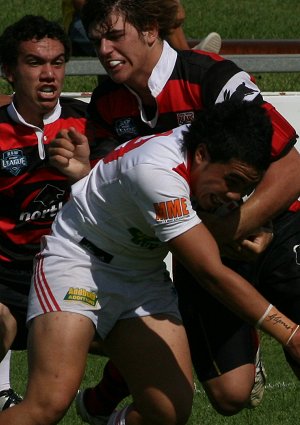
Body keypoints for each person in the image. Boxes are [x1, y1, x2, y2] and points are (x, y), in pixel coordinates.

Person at [64, 0, 300, 422]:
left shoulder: (214, 78)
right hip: (202, 248)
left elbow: (292, 168)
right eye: (97, 39)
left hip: (276, 228)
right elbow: (117, 186)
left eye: (115, 35)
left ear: (151, 30)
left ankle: (113, 386)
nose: (103, 49)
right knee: (230, 397)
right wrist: (83, 169)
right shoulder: (105, 103)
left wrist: (237, 224)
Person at [3, 100, 300, 425]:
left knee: (168, 410)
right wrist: (291, 334)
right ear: (201, 155)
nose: (234, 196)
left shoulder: (211, 147)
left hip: (141, 273)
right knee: (47, 404)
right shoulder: (156, 172)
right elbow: (210, 273)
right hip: (79, 264)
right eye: (232, 181)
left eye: (245, 187)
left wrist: (257, 228)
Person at [0, 14, 95, 411]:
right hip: (5, 269)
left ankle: (101, 402)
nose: (49, 75)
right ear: (8, 71)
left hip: (71, 266)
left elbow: (120, 197)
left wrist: (84, 173)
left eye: (57, 62)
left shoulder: (90, 122)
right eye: (35, 63)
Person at [62, 0, 222, 55]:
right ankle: (189, 58)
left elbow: (178, 14)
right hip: (85, 25)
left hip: (125, 17)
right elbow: (85, 9)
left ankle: (187, 59)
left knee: (162, 12)